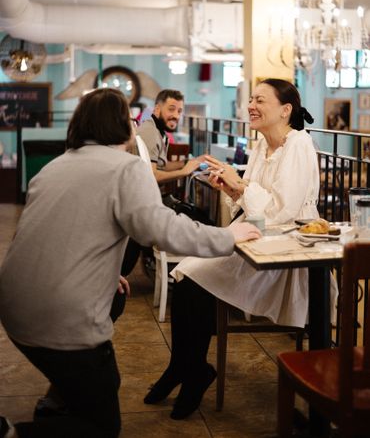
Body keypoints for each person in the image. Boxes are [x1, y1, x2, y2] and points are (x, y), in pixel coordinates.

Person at [0, 88, 261, 438]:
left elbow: (50, 236)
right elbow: (162, 230)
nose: (135, 123)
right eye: (130, 117)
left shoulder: (55, 166)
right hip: (58, 317)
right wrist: (229, 236)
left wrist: (107, 275)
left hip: (14, 309)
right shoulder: (126, 168)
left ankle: (62, 395)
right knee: (100, 426)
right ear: (118, 125)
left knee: (117, 297)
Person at [144, 78, 326, 420]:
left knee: (195, 280)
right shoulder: (260, 145)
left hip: (284, 253)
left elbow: (282, 213)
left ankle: (190, 371)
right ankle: (184, 367)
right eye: (251, 99)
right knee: (185, 274)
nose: (251, 106)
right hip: (254, 241)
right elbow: (252, 206)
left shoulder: (299, 144)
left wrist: (239, 184)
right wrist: (231, 189)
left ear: (285, 110)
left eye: (259, 100)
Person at [137, 89, 204, 184]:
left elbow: (161, 166)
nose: (176, 116)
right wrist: (183, 172)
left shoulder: (158, 131)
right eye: (171, 109)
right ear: (157, 110)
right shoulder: (150, 132)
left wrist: (186, 163)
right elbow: (151, 175)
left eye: (179, 111)